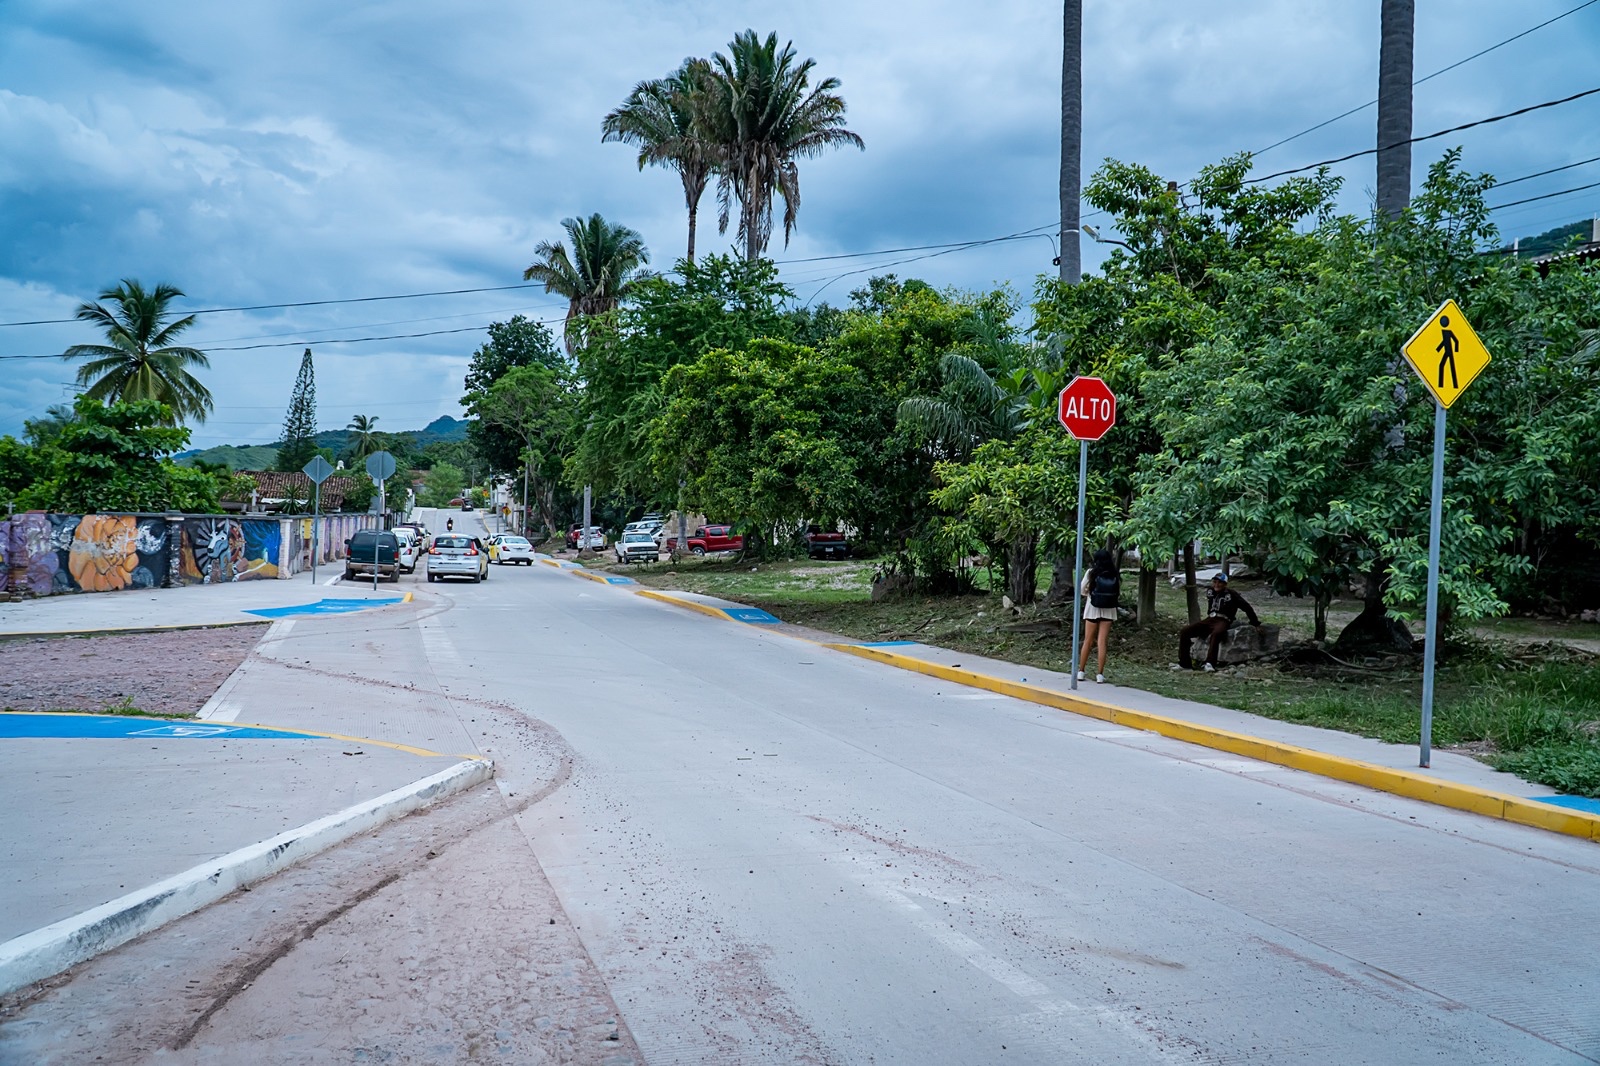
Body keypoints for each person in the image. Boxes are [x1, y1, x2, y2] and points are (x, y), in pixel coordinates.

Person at [1177, 572, 1262, 672]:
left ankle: (1210, 663)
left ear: (1225, 584)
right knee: (1185, 631)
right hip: (1210, 619)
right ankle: (1185, 664)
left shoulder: (1231, 594)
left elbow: (1247, 607)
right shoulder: (1210, 591)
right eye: (1215, 582)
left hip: (1223, 620)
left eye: (1220, 582)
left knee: (1216, 633)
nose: (1216, 585)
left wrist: (1255, 623)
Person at [1077, 548, 1119, 684]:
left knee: (1088, 640)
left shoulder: (1091, 572)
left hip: (1093, 608)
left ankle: (1081, 671)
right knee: (1102, 642)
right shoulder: (1114, 573)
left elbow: (1081, 589)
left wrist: (1089, 594)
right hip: (1109, 609)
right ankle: (1100, 674)